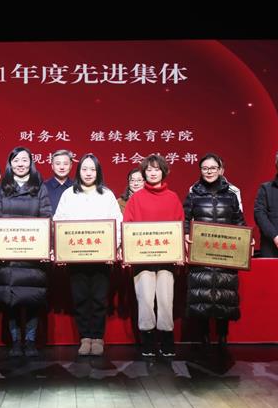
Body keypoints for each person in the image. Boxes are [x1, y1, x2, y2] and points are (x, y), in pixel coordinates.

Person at [54, 153, 123, 356]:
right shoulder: (69, 194)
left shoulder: (107, 195)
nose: (88, 173)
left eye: (92, 169)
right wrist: (61, 248)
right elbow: (58, 221)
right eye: (84, 169)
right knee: (81, 298)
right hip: (76, 257)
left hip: (102, 258)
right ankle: (85, 337)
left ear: (98, 172)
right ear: (78, 171)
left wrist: (113, 248)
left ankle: (98, 337)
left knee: (99, 299)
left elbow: (118, 223)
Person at [0, 147, 52, 358]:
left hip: (33, 254)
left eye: (25, 160)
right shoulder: (2, 189)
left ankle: (31, 341)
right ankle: (16, 341)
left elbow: (46, 217)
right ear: (10, 164)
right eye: (16, 160)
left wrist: (43, 245)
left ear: (31, 163)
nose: (20, 164)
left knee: (32, 298)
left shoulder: (40, 188)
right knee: (11, 300)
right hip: (8, 255)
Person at [183, 153, 247, 352]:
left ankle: (222, 336)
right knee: (201, 295)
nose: (209, 172)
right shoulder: (193, 194)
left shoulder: (231, 195)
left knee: (224, 295)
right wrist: (186, 234)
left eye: (213, 168)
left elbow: (239, 221)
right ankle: (203, 337)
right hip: (200, 252)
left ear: (220, 170)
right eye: (205, 168)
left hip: (225, 253)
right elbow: (185, 219)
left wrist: (246, 239)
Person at [123, 154, 184, 357]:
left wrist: (180, 253)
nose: (152, 173)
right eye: (148, 169)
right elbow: (127, 227)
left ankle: (166, 339)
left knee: (166, 299)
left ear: (163, 172)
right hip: (142, 260)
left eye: (156, 169)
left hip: (167, 259)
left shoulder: (173, 198)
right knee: (146, 299)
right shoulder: (136, 199)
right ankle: (148, 340)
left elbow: (179, 225)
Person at [43, 149, 74, 214]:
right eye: (58, 164)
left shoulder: (77, 187)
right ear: (52, 166)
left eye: (65, 164)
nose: (62, 167)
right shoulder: (43, 187)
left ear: (71, 165)